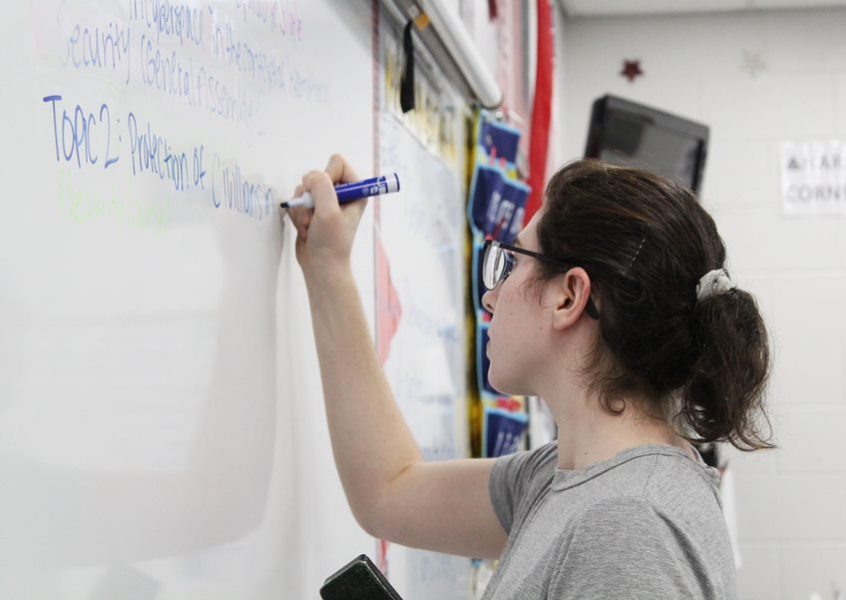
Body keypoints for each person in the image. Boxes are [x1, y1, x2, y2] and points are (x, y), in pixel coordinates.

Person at [288, 155, 773, 599]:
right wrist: (328, 269)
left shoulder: (627, 523)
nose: (491, 297)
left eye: (513, 262)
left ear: (568, 297)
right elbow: (389, 491)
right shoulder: (560, 478)